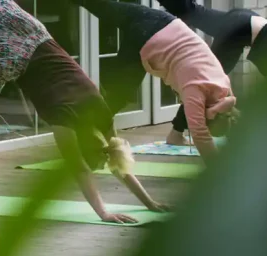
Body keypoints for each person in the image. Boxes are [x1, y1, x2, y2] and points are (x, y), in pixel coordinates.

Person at [0, 0, 169, 222]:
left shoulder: (101, 114)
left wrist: (151, 203)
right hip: (1, 55)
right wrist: (104, 213)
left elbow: (116, 159)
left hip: (21, 25)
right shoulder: (65, 122)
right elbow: (81, 169)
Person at [71, 0, 239, 164]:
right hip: (146, 38)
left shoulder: (223, 85)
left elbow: (231, 114)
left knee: (97, 4)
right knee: (119, 96)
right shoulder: (195, 89)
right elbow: (200, 134)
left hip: (162, 20)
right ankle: (83, 133)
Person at [154, 0, 267, 145]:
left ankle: (177, 133)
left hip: (245, 20)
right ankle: (176, 134)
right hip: (240, 28)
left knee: (193, 12)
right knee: (205, 83)